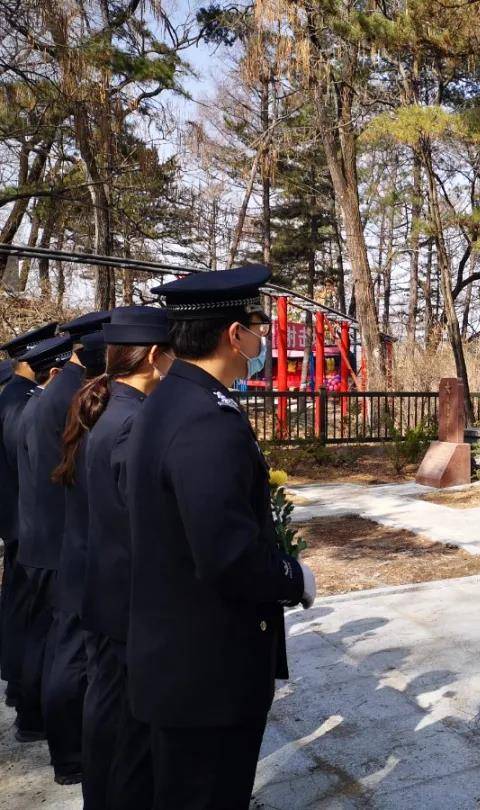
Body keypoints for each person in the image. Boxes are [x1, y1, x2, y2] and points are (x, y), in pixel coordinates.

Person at [126, 264, 316, 809]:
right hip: (207, 669)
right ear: (235, 335)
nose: (261, 341)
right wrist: (293, 577)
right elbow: (226, 554)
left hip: (179, 658)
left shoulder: (170, 400)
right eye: (257, 328)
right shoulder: (208, 418)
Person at [52, 306, 173, 809]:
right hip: (127, 603)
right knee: (126, 734)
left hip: (105, 591)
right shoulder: (132, 422)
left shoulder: (110, 409)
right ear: (152, 357)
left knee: (108, 720)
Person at [30, 312, 110, 785]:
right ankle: (70, 754)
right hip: (75, 542)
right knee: (72, 654)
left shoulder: (62, 392)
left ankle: (66, 748)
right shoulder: (76, 397)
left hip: (65, 536)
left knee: (65, 647)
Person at [13, 332, 77, 753]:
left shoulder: (32, 404)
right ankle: (64, 747)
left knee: (40, 636)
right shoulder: (57, 405)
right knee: (63, 647)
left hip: (35, 535)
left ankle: (31, 716)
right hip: (54, 542)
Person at [0, 322, 57, 725]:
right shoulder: (24, 405)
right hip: (28, 523)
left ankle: (19, 686)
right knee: (31, 615)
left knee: (21, 608)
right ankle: (26, 698)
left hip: (18, 522)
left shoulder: (13, 398)